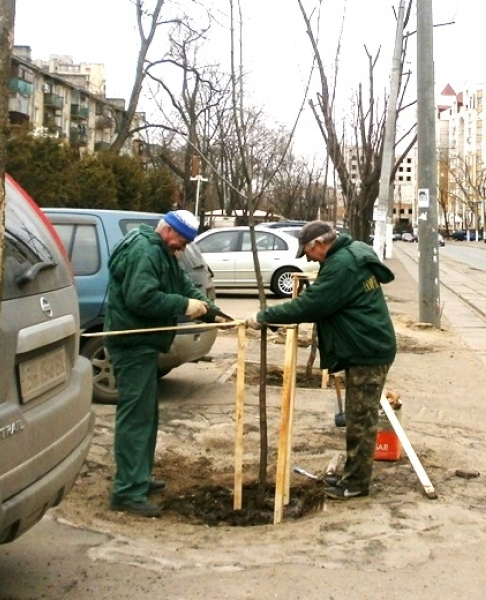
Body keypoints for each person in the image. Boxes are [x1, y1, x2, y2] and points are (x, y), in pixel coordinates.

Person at [245, 220, 396, 500]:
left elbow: (310, 305)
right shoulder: (352, 250)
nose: (309, 259)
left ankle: (356, 485)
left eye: (308, 253)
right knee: (358, 416)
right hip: (368, 344)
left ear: (318, 245)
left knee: (360, 420)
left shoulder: (341, 265)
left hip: (368, 349)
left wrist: (264, 317)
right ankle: (353, 477)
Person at [105, 209, 225, 517]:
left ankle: (139, 478)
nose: (183, 248)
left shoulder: (161, 250)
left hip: (143, 346)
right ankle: (127, 491)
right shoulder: (145, 250)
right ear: (168, 230)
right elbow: (140, 298)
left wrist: (213, 312)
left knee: (146, 415)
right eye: (182, 241)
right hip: (132, 345)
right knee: (135, 417)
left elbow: (181, 283)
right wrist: (184, 306)